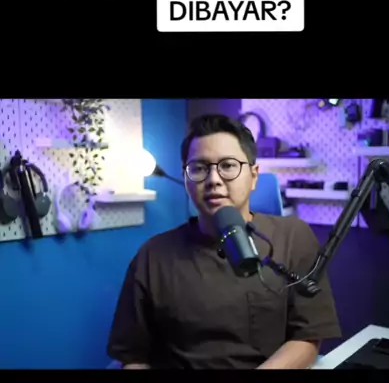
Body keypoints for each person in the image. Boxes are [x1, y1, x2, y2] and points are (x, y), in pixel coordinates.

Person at [107, 114, 341, 369]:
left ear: (254, 176)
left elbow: (308, 336)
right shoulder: (153, 256)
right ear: (186, 179)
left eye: (228, 165)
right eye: (199, 168)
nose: (213, 180)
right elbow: (133, 356)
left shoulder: (293, 237)